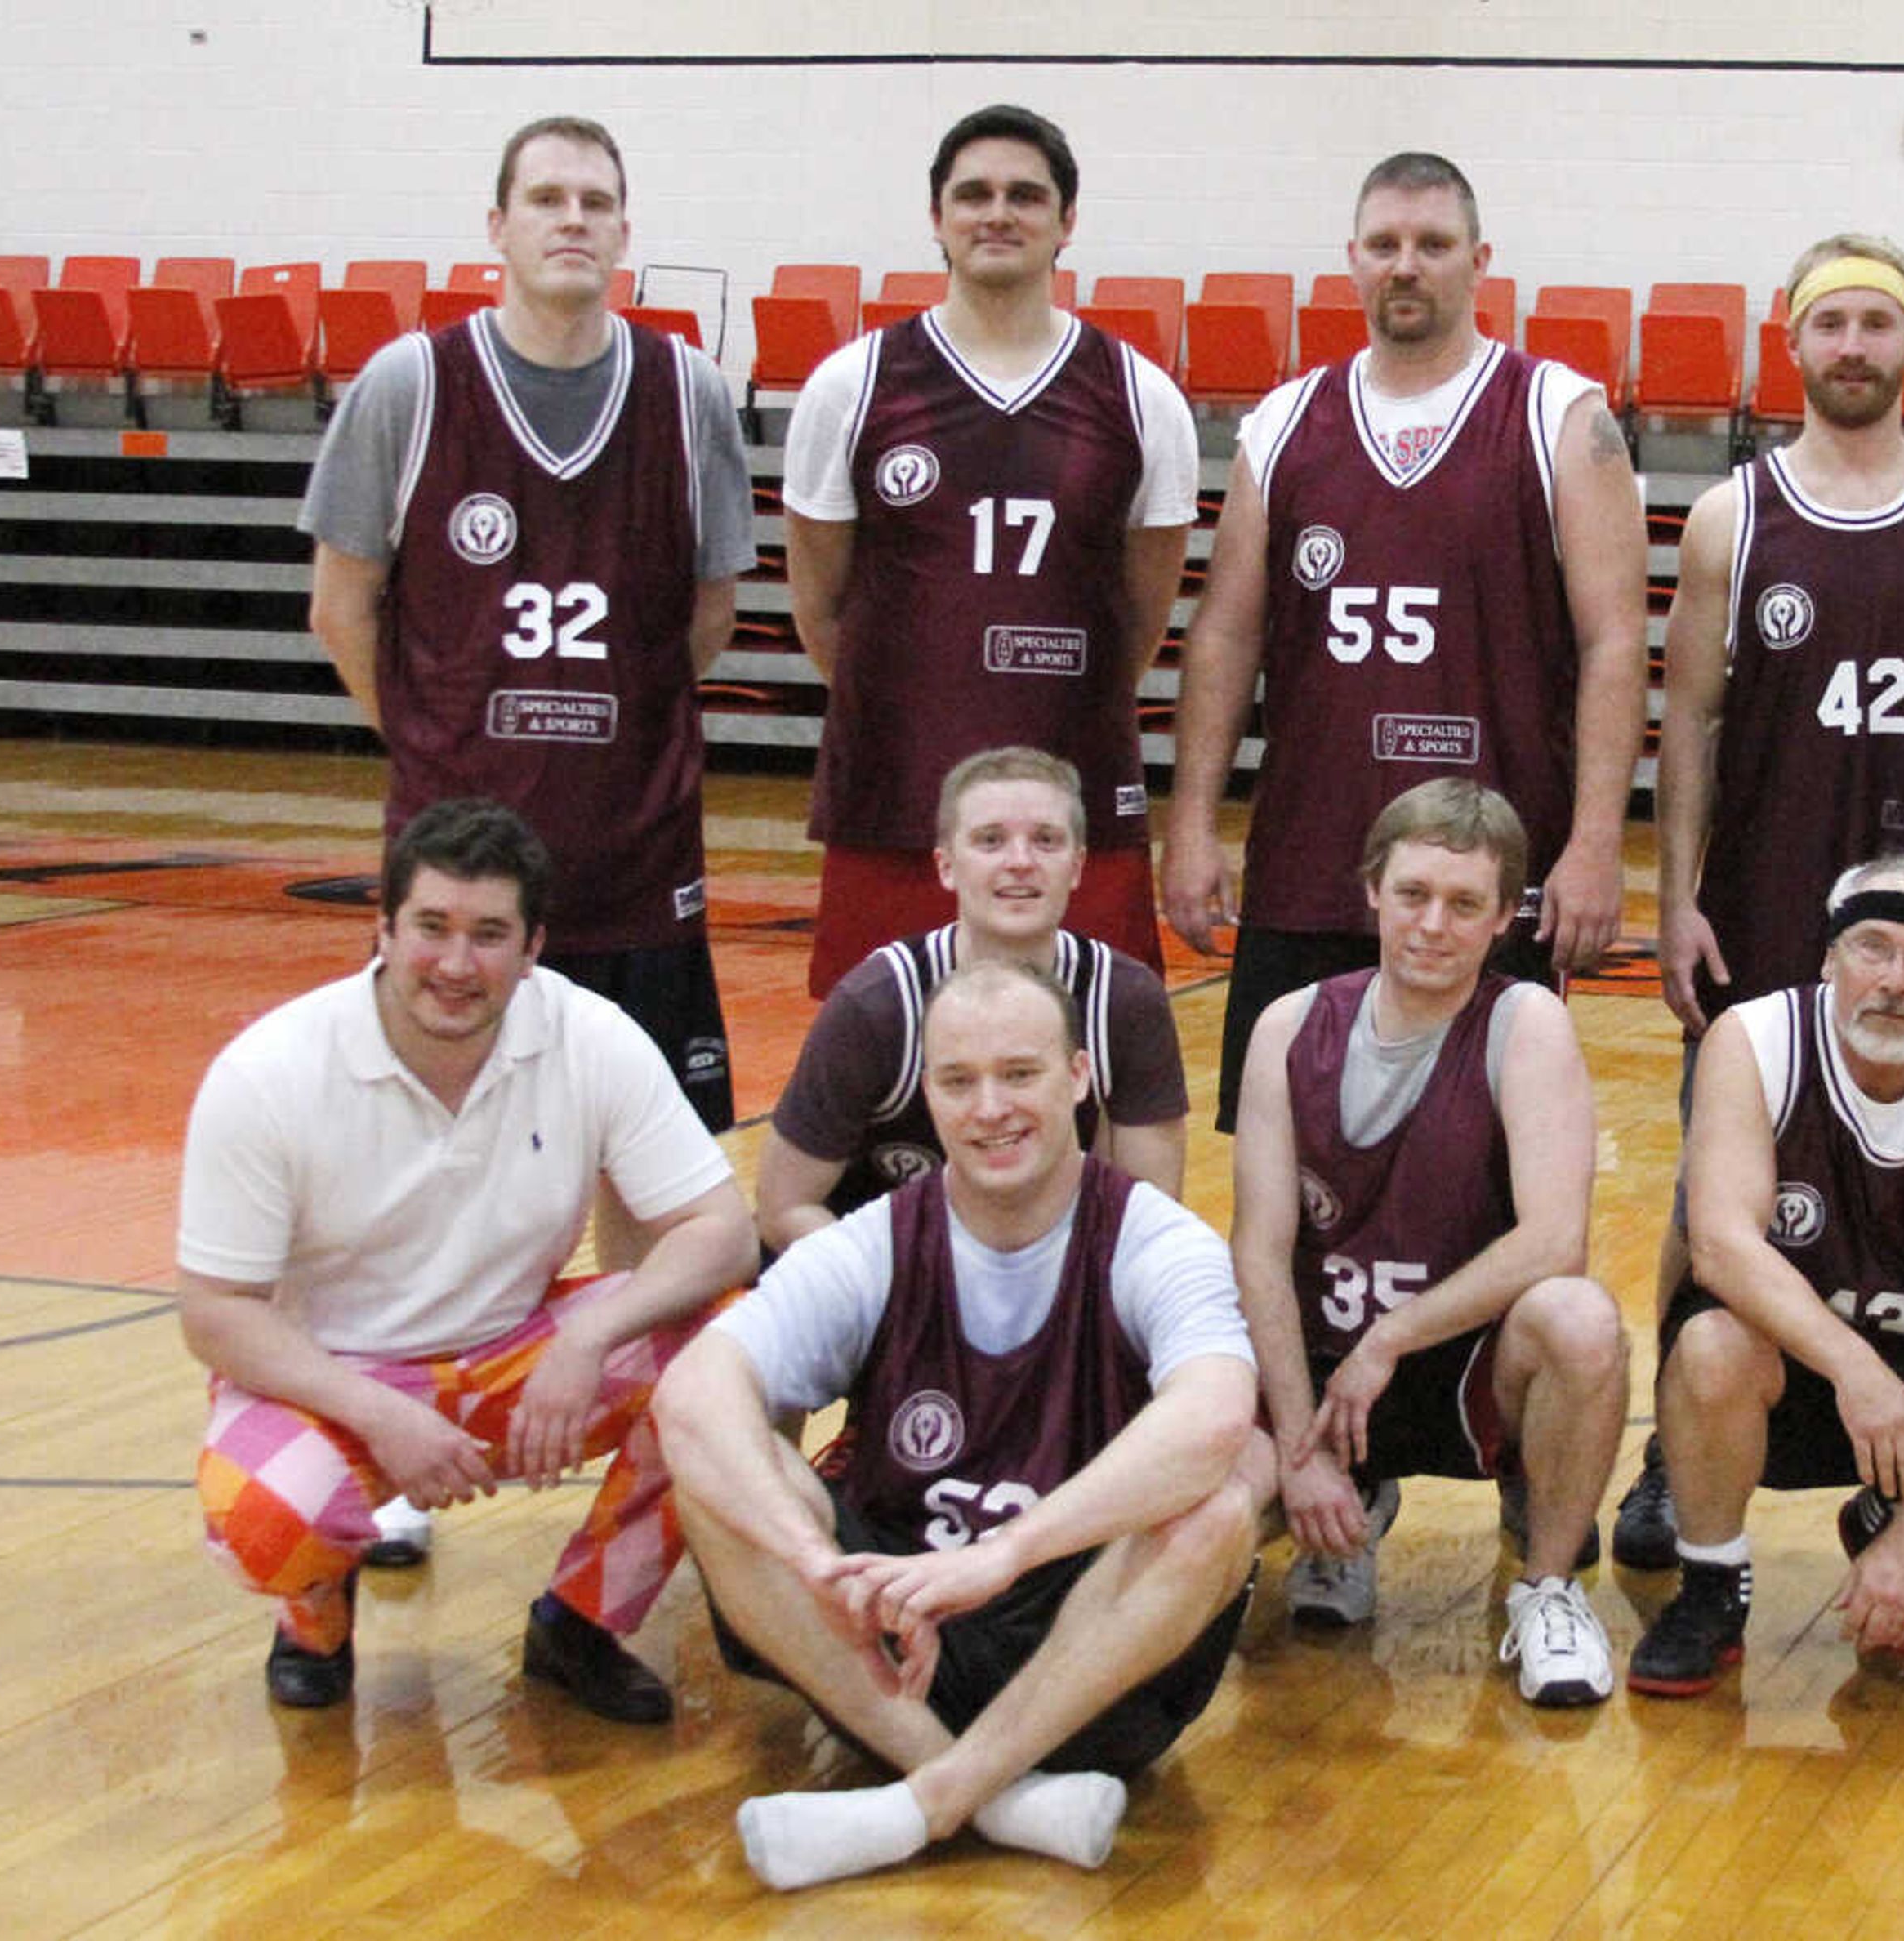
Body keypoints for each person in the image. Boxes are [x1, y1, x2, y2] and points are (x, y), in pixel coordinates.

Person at [1617, 231, 1904, 1573]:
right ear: (1792, 348)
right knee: (1717, 1182)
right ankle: (1673, 1447)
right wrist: (1676, 893)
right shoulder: (1734, 517)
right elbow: (1685, 715)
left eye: (1877, 323)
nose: (1853, 347)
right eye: (1830, 326)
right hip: (1766, 890)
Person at [655, 959, 1266, 1891]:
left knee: (1221, 1501)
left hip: (1094, 1661)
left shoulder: (1152, 1239)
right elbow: (693, 1394)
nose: (990, 1109)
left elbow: (1216, 1416)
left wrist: (1006, 1553)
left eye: (1019, 1075)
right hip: (894, 1645)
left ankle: (922, 1806)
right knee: (722, 1480)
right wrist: (812, 1561)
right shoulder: (880, 1238)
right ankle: (987, 1795)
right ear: (927, 1097)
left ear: (1076, 1077)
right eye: (957, 1081)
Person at [179, 799, 758, 1720]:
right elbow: (215, 1313)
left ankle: (582, 1620)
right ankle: (315, 1615)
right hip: (329, 1379)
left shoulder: (590, 1035)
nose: (456, 965)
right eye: (432, 928)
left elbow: (720, 1228)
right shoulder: (271, 1071)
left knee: (737, 1350)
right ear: (382, 928)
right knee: (267, 1522)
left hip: (516, 1355)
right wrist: (379, 1413)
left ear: (533, 948)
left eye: (489, 935)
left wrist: (588, 1338)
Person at [1160, 149, 1649, 1132]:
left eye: (1433, 245)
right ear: (1352, 260)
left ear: (1480, 260)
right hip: (1311, 861)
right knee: (1288, 1164)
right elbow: (1224, 637)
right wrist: (1191, 824)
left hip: (1488, 879)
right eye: (1384, 245)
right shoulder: (1286, 421)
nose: (1407, 266)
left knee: (1474, 1174)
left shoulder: (1560, 412)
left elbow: (1614, 642)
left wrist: (1597, 843)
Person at [301, 114, 753, 1137]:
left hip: (636, 859)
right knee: (436, 1158)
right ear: (498, 226)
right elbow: (340, 608)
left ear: (624, 234)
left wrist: (622, 722)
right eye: (548, 200)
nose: (573, 221)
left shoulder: (688, 393)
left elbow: (709, 613)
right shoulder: (409, 385)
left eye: (595, 204)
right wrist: (432, 730)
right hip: (457, 872)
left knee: (659, 1177)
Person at [1626, 854, 1904, 1698]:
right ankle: (1712, 1584)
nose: (1893, 980)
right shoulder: (1756, 1040)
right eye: (1871, 948)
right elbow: (1722, 1246)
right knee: (1711, 1344)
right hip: (1786, 1363)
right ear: (1829, 960)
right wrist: (1853, 1366)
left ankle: (1880, 1522)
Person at [1228, 781, 1629, 1706]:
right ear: (1371, 889)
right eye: (1413, 894)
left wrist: (1392, 1336)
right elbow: (1258, 1253)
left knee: (1580, 1320)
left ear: (1502, 920)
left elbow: (1554, 1242)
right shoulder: (1290, 1027)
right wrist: (1298, 1445)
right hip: (1327, 1384)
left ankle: (1549, 1587)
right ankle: (1343, 1504)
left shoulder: (1524, 1023)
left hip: (1462, 1367)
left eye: (1464, 905)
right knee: (1197, 1504)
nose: (1433, 925)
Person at [786, 104, 1200, 989]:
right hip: (895, 796)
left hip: (1076, 799)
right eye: (972, 195)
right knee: (883, 1076)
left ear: (1066, 222)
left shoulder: (1139, 396)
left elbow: (1142, 619)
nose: (997, 213)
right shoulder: (853, 385)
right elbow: (822, 607)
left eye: (1025, 195)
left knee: (1088, 1070)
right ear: (937, 218)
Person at [756, 746, 1188, 1256]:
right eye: (990, 841)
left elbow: (1150, 1213)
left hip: (1054, 1270)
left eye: (1046, 841)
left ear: (1076, 867)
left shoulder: (1124, 1000)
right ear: (945, 866)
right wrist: (900, 1297)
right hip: (884, 1276)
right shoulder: (877, 1004)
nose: (1021, 862)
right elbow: (784, 1207)